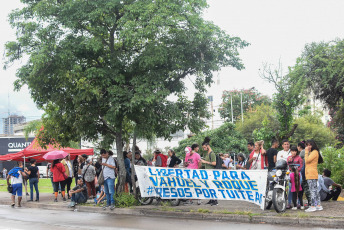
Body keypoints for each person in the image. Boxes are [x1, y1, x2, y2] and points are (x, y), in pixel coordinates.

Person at [305, 139, 322, 212]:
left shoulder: (314, 152)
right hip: (312, 173)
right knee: (315, 190)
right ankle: (318, 205)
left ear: (313, 145)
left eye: (310, 145)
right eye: (307, 145)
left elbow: (307, 160)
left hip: (311, 174)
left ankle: (312, 206)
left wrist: (306, 152)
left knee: (312, 190)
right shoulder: (314, 152)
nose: (308, 147)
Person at [201, 137, 218, 206]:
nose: (204, 149)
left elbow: (214, 163)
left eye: (205, 147)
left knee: (212, 186)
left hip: (211, 172)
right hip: (207, 172)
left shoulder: (212, 154)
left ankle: (215, 200)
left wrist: (205, 162)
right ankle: (211, 199)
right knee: (209, 186)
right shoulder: (208, 154)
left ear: (208, 146)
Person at [298, 141, 311, 206]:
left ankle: (309, 202)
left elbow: (299, 160)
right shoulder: (308, 152)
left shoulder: (303, 152)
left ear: (299, 147)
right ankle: (304, 202)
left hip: (304, 171)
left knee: (305, 187)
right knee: (304, 188)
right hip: (307, 171)